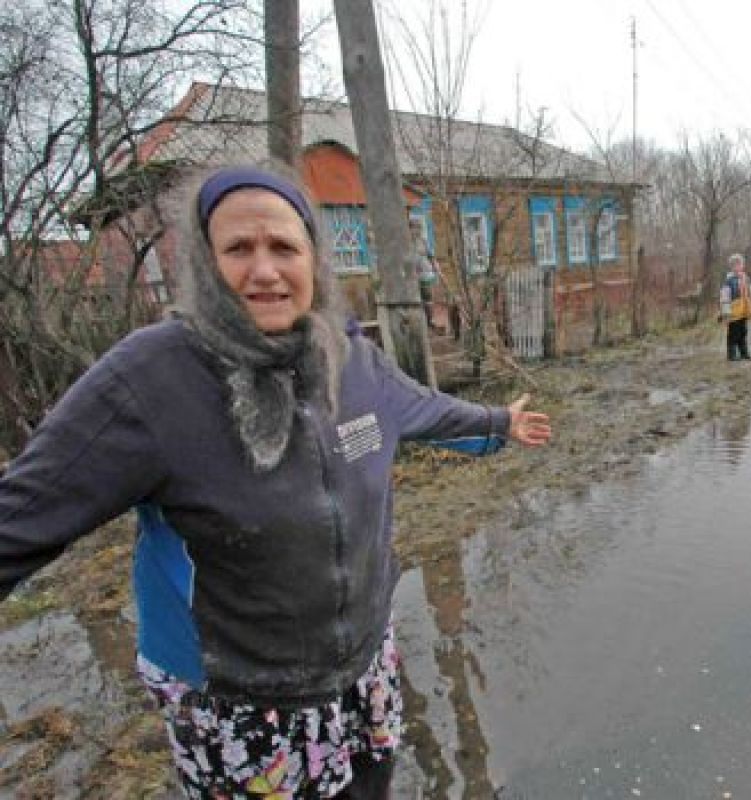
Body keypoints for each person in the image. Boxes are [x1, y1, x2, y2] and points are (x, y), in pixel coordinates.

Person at [0, 163, 552, 799]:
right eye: (238, 248)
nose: (264, 270)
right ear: (206, 263)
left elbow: (424, 408)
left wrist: (498, 423)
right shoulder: (151, 380)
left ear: (313, 260)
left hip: (361, 671)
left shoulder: (350, 360)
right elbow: (21, 515)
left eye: (283, 247)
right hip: (240, 698)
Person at [718, 252, 751, 361]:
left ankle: (744, 353)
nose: (738, 267)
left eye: (740, 264)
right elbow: (725, 296)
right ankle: (731, 355)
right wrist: (726, 311)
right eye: (735, 265)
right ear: (731, 267)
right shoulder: (729, 281)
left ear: (743, 265)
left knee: (743, 332)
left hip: (744, 310)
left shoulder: (746, 279)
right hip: (734, 311)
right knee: (733, 334)